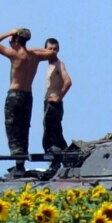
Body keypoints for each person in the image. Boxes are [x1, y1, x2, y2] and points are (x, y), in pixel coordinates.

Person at [0, 27, 58, 177]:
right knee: (24, 128)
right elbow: (52, 52)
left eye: (12, 40)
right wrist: (28, 47)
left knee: (13, 128)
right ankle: (20, 164)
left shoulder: (14, 54)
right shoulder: (34, 56)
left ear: (16, 41)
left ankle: (18, 162)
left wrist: (9, 32)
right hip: (28, 95)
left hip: (15, 94)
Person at [42, 38, 72, 175]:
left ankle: (55, 163)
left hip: (54, 103)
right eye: (50, 49)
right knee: (57, 134)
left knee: (50, 135)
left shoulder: (59, 64)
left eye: (55, 49)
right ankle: (68, 158)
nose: (52, 51)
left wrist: (59, 97)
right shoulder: (49, 65)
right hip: (48, 102)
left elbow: (68, 82)